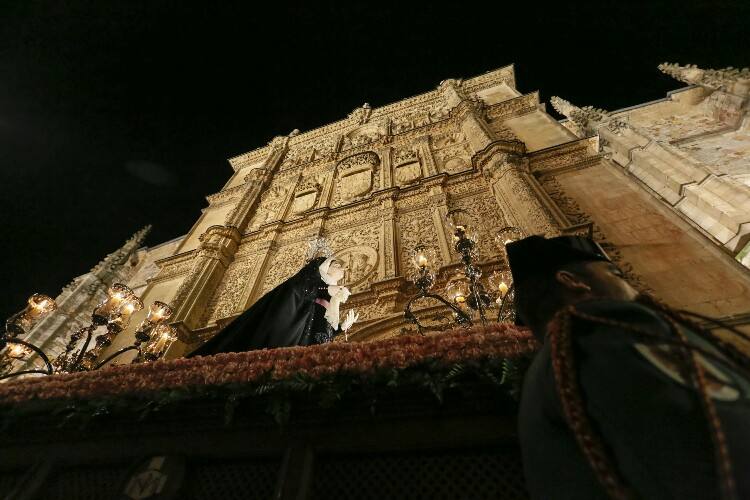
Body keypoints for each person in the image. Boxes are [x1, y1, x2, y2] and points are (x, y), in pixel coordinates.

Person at [506, 235, 750, 500]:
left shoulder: (542, 374)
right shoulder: (601, 331)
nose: (635, 288)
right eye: (617, 274)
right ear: (572, 281)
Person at [188, 256, 358, 356]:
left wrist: (340, 328)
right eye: (336, 264)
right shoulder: (305, 283)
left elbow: (319, 330)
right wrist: (325, 288)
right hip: (294, 344)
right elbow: (296, 293)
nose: (343, 267)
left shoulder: (329, 295)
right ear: (324, 268)